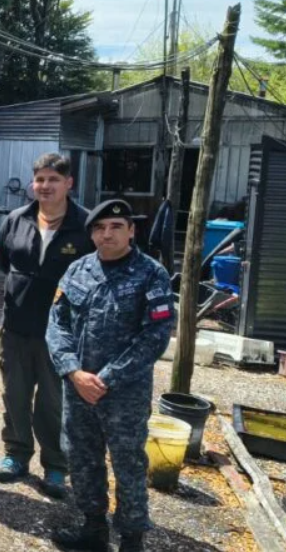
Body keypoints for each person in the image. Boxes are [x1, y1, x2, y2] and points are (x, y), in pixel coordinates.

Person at [46, 199, 175, 552]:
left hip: (124, 394)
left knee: (128, 463)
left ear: (131, 231)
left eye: (116, 227)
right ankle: (93, 529)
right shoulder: (77, 271)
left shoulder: (152, 274)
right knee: (83, 460)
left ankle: (132, 539)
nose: (108, 234)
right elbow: (57, 325)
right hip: (78, 388)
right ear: (91, 234)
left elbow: (155, 337)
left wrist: (106, 378)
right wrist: (73, 371)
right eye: (100, 228)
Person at [0, 153, 95, 498]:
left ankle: (55, 465)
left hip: (63, 337)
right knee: (15, 397)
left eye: (53, 179)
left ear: (69, 183)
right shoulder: (15, 220)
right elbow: (6, 263)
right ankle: (16, 455)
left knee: (53, 403)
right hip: (17, 328)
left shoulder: (85, 226)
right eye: (40, 179)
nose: (45, 186)